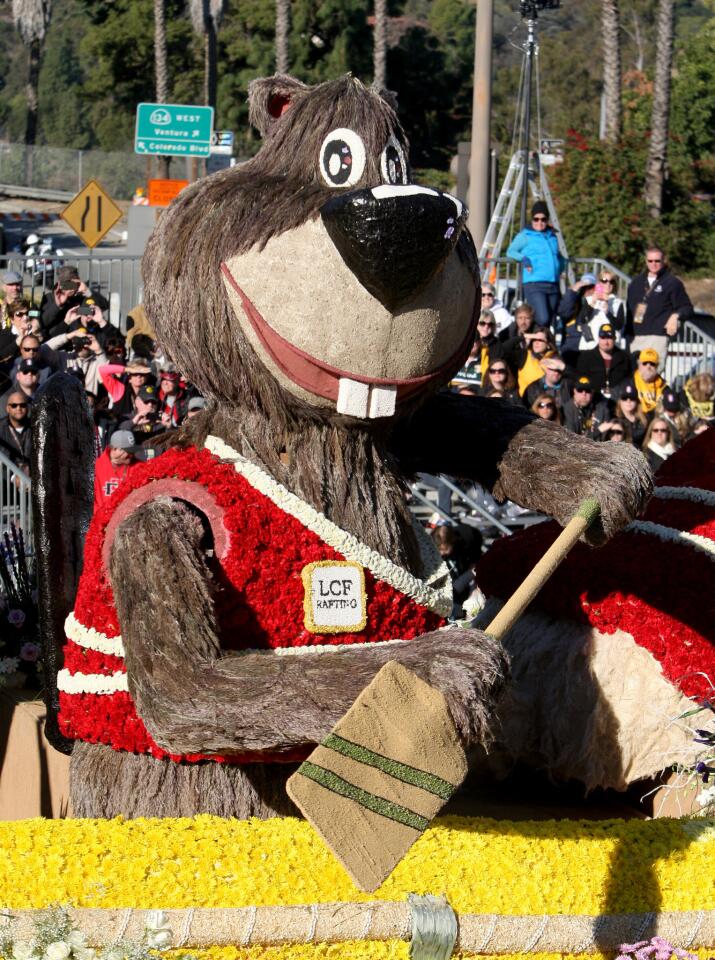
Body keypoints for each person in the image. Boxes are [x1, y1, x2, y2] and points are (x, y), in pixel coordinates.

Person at [626, 246, 693, 367]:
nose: (654, 264)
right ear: (646, 261)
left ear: (663, 261)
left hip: (657, 337)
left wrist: (675, 316)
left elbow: (687, 307)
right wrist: (627, 335)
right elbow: (629, 310)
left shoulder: (672, 283)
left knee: (651, 375)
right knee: (634, 377)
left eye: (657, 261)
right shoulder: (635, 283)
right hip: (635, 337)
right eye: (650, 261)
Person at [506, 201, 566, 329]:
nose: (540, 222)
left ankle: (543, 345)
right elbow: (511, 251)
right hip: (534, 284)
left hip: (553, 283)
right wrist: (525, 259)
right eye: (536, 219)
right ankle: (532, 340)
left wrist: (560, 267)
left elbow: (558, 256)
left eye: (543, 219)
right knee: (542, 317)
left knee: (551, 318)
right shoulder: (525, 235)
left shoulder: (552, 235)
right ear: (532, 219)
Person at [575, 323, 633, 401]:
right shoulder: (586, 358)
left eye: (609, 338)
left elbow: (628, 382)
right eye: (603, 337)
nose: (606, 342)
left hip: (618, 400)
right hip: (595, 400)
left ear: (615, 338)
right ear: (598, 338)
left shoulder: (624, 358)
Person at [93, 430, 143, 508]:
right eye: (129, 451)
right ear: (115, 449)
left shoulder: (139, 466)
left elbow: (151, 478)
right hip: (102, 516)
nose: (132, 455)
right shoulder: (96, 468)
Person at [0, 390, 32, 473]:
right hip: (6, 481)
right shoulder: (1, 429)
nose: (19, 408)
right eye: (14, 405)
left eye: (23, 405)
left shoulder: (36, 426)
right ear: (7, 408)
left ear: (27, 408)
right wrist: (13, 477)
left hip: (33, 478)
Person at [614, 382, 649, 447]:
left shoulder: (644, 420)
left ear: (637, 401)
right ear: (620, 401)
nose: (628, 401)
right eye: (624, 398)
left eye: (632, 398)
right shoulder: (614, 420)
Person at [633, 348, 667, 413]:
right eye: (645, 363)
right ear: (639, 364)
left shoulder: (663, 387)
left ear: (657, 366)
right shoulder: (631, 383)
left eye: (652, 364)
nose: (648, 366)